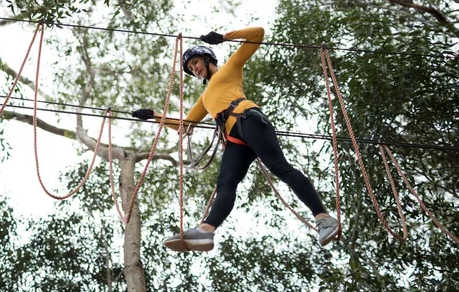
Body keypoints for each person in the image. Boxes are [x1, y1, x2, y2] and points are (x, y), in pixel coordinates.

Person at [132, 27, 339, 252]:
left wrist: (223, 37)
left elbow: (258, 34)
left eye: (196, 63)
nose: (195, 70)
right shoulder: (205, 98)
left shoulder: (229, 69)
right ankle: (206, 230)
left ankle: (324, 218)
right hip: (233, 139)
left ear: (207, 58)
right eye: (191, 69)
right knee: (226, 183)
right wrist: (156, 116)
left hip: (247, 119)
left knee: (280, 168)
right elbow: (186, 127)